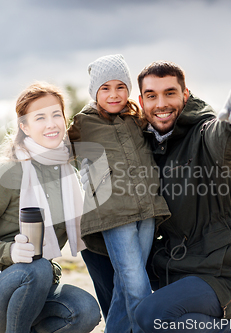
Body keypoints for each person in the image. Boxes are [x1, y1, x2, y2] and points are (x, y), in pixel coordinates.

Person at [81, 60, 231, 333]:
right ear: (141, 101)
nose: (161, 103)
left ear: (185, 95)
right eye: (152, 96)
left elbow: (221, 143)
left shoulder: (203, 133)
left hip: (221, 273)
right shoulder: (148, 143)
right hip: (174, 267)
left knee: (152, 315)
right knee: (96, 248)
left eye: (170, 93)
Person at [0, 82, 101, 333]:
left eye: (56, 114)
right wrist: (11, 252)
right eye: (40, 117)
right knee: (37, 266)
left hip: (37, 293)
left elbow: (87, 233)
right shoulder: (7, 173)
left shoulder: (67, 174)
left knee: (86, 310)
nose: (51, 124)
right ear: (24, 127)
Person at [68, 54, 171, 333]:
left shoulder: (137, 118)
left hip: (148, 209)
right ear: (94, 92)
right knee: (137, 286)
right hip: (114, 215)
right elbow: (56, 150)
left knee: (125, 286)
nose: (114, 95)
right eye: (105, 88)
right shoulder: (82, 124)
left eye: (120, 87)